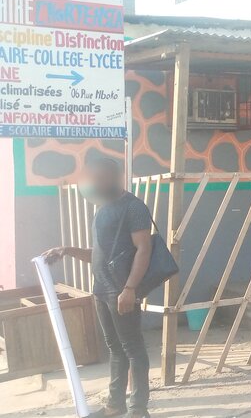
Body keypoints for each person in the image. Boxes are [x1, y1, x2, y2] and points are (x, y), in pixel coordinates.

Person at [44, 158, 152, 418]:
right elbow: (101, 254)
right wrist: (67, 251)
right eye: (92, 178)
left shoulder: (133, 207)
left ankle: (138, 410)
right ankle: (115, 406)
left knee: (133, 348)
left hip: (121, 290)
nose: (94, 183)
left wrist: (130, 288)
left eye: (100, 177)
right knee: (115, 348)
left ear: (115, 178)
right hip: (102, 290)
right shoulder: (103, 209)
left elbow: (143, 249)